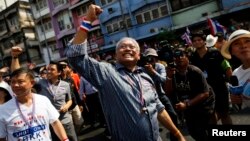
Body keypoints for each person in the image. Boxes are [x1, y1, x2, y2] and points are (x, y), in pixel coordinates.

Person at [65, 4, 186, 141]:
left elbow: (158, 108)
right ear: (116, 55)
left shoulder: (146, 77)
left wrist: (177, 133)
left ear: (139, 55)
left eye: (132, 47)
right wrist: (87, 22)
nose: (128, 49)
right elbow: (75, 56)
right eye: (122, 47)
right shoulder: (106, 74)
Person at [10, 48, 78, 141]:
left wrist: (66, 106)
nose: (48, 71)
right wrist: (15, 57)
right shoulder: (40, 83)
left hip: (66, 121)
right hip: (49, 123)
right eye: (47, 69)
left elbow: (70, 99)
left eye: (52, 69)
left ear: (59, 72)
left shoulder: (66, 85)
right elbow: (19, 75)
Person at [0, 68, 69, 141]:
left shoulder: (43, 100)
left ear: (32, 83)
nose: (15, 85)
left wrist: (65, 140)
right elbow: (1, 137)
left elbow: (55, 122)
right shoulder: (3, 110)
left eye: (20, 82)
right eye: (13, 82)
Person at [165, 48, 215, 141]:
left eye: (181, 55)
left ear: (187, 57)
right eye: (176, 56)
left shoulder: (195, 71)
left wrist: (187, 104)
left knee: (203, 131)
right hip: (188, 107)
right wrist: (169, 77)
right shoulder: (173, 73)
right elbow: (168, 92)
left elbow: (205, 93)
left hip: (203, 105)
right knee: (193, 131)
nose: (179, 58)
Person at [189, 31, 233, 125]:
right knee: (210, 115)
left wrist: (232, 81)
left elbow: (226, 67)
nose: (197, 42)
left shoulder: (215, 52)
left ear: (204, 41)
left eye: (199, 40)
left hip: (220, 87)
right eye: (194, 41)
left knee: (224, 114)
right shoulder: (192, 57)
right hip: (205, 91)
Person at [143, 48, 179, 141]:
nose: (151, 60)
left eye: (153, 58)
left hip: (160, 94)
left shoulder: (159, 66)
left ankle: (174, 138)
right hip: (147, 97)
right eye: (149, 58)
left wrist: (153, 72)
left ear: (156, 58)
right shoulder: (142, 69)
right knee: (150, 122)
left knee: (173, 116)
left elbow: (164, 80)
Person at [221, 29, 250, 107]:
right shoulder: (236, 73)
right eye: (237, 44)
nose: (243, 46)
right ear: (232, 51)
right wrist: (237, 100)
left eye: (247, 41)